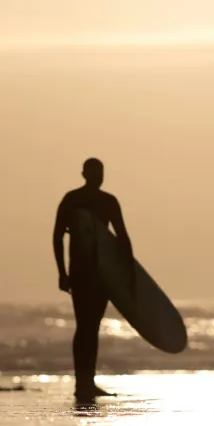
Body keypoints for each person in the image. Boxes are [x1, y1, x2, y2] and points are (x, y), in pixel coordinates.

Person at [53, 158, 135, 402]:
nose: (99, 176)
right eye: (96, 172)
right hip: (88, 273)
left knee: (90, 326)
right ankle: (83, 383)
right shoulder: (80, 200)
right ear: (86, 174)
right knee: (86, 326)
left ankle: (86, 382)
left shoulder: (95, 201)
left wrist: (127, 272)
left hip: (96, 273)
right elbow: (57, 236)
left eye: (101, 172)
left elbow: (122, 239)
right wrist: (62, 272)